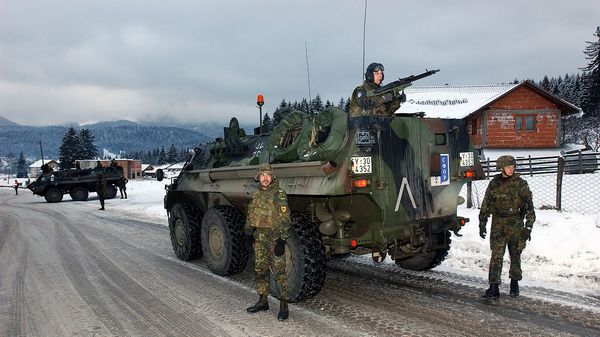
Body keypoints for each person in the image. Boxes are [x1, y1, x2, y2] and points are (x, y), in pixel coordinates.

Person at [479, 155, 535, 299]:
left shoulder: (520, 184)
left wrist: (528, 227)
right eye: (508, 167)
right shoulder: (494, 183)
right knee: (496, 256)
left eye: (513, 167)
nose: (511, 169)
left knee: (515, 255)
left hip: (515, 224)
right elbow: (486, 203)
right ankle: (493, 287)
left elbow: (529, 207)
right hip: (498, 224)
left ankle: (514, 284)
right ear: (501, 168)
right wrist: (482, 222)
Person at [245, 163, 291, 321]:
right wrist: (248, 232)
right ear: (258, 177)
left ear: (272, 177)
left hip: (274, 238)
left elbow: (285, 219)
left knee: (279, 273)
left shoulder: (279, 194)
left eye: (268, 175)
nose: (265, 178)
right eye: (262, 175)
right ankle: (263, 301)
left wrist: (282, 240)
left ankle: (284, 305)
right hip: (259, 238)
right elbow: (251, 213)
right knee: (260, 270)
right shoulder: (256, 194)